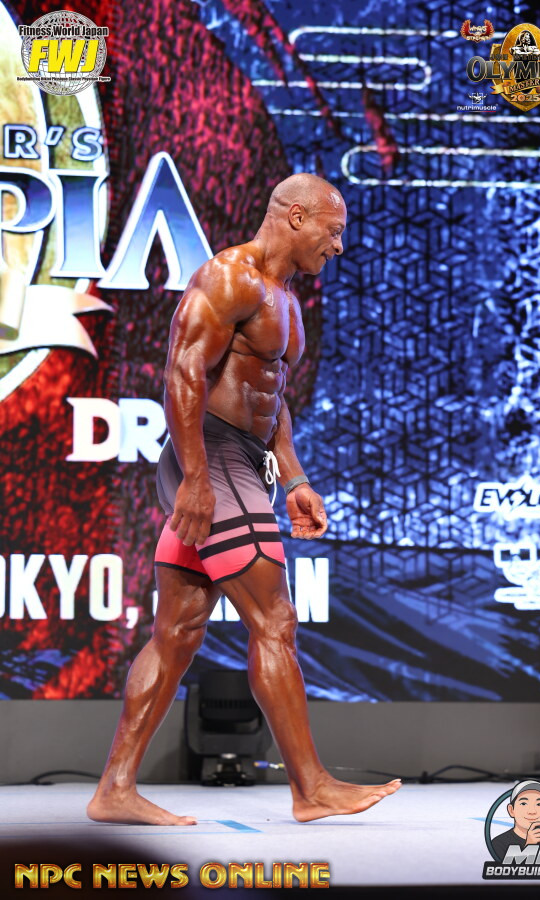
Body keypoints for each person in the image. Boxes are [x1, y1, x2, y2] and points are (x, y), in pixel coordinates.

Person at [87, 173, 402, 825]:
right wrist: (196, 478)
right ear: (296, 217)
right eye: (333, 231)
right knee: (275, 619)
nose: (338, 246)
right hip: (211, 454)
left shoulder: (286, 300)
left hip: (242, 462)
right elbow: (183, 371)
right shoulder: (230, 277)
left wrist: (296, 480)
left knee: (178, 632)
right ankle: (311, 788)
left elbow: (272, 400)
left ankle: (114, 790)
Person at [491, 781, 540, 861]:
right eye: (524, 804)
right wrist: (529, 847)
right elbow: (506, 868)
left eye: (539, 804)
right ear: (511, 810)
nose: (532, 811)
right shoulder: (499, 843)